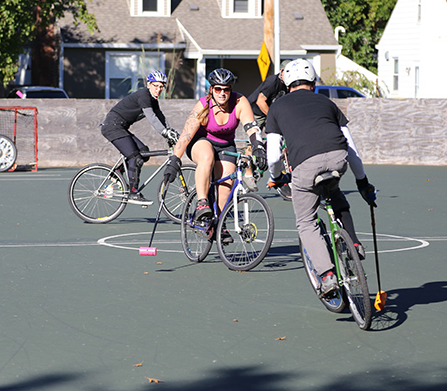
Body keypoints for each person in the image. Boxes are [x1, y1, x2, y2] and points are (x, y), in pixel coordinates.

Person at [264, 59, 376, 297]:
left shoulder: (277, 107)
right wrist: (363, 183)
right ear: (313, 83)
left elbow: (273, 156)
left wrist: (276, 177)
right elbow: (352, 148)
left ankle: (326, 276)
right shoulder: (327, 102)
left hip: (304, 166)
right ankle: (354, 244)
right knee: (335, 193)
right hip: (338, 158)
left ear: (288, 85)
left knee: (306, 221)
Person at [163, 68, 267, 242]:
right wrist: (175, 160)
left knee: (227, 183)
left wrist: (258, 147)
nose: (222, 93)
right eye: (218, 89)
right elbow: (186, 135)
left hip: (226, 146)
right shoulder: (203, 104)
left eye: (226, 89)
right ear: (211, 89)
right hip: (201, 142)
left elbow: (252, 127)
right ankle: (202, 203)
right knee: (207, 156)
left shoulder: (240, 102)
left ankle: (219, 224)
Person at [100, 71, 180, 205]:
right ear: (148, 84)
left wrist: (170, 131)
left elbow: (160, 116)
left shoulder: (153, 99)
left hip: (120, 127)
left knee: (144, 152)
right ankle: (133, 192)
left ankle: (117, 173)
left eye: (161, 87)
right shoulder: (144, 95)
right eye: (155, 85)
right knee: (135, 157)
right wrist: (165, 132)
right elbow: (151, 117)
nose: (158, 89)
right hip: (112, 127)